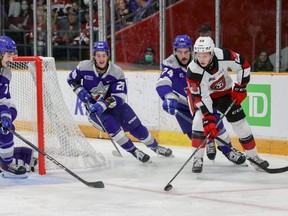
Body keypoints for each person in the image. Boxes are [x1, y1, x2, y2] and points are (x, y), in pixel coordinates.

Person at [67, 41, 172, 163]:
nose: (101, 58)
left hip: (116, 106)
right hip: (96, 111)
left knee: (137, 127)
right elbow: (71, 79)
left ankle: (156, 147)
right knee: (113, 126)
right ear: (94, 56)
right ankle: (134, 151)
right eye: (98, 55)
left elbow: (119, 96)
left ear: (108, 56)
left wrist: (103, 104)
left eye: (104, 55)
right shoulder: (83, 67)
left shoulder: (116, 72)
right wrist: (79, 90)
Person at [156, 34, 246, 165]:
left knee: (217, 126)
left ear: (192, 50)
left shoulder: (201, 59)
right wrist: (168, 96)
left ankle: (228, 151)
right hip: (183, 105)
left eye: (186, 52)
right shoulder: (170, 64)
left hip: (202, 101)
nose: (183, 56)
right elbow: (162, 82)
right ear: (175, 51)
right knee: (194, 133)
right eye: (180, 52)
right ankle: (202, 151)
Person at [186, 36, 270, 173]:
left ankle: (254, 158)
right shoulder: (193, 70)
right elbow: (201, 97)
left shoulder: (223, 55)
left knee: (241, 124)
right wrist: (208, 118)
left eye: (205, 55)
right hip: (205, 97)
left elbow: (243, 65)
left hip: (225, 94)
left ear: (212, 52)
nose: (201, 59)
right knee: (198, 122)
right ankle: (197, 158)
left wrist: (241, 87)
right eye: (199, 55)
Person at [0, 35, 28, 178]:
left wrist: (4, 116)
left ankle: (6, 163)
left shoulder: (5, 71)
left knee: (7, 126)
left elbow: (2, 99)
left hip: (4, 105)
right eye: (9, 55)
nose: (12, 59)